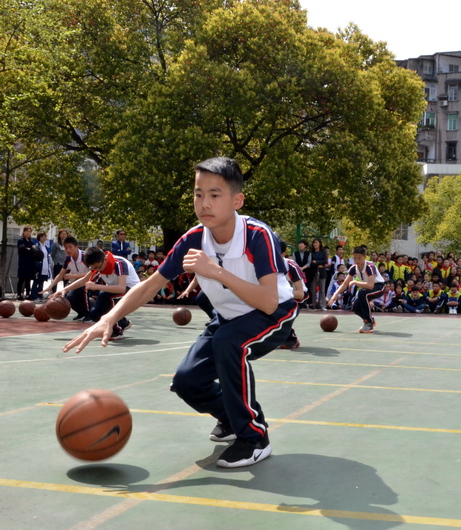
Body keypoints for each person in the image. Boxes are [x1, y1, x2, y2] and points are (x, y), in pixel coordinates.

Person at [63, 157, 298, 468]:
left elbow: (269, 301)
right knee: (187, 382)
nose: (205, 203)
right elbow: (150, 286)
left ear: (237, 200)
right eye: (198, 194)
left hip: (274, 313)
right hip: (229, 318)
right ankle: (230, 418)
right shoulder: (192, 239)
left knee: (229, 343)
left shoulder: (257, 235)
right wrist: (109, 318)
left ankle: (254, 437)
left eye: (215, 194)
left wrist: (216, 271)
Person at [58, 246, 139, 339]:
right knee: (94, 315)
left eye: (98, 267)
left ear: (105, 259)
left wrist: (96, 286)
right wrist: (65, 289)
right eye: (93, 268)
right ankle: (123, 323)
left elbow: (121, 288)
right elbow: (84, 280)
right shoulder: (97, 265)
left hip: (132, 291)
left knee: (105, 296)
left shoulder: (119, 263)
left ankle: (117, 331)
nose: (98, 270)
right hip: (114, 290)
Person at [326, 245, 384, 332]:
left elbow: (370, 285)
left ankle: (368, 322)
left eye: (359, 258)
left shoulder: (370, 267)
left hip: (379, 287)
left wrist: (355, 282)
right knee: (355, 307)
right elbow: (345, 284)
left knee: (362, 293)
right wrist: (335, 294)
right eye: (355, 258)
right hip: (367, 289)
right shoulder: (354, 268)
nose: (357, 261)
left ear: (365, 257)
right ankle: (370, 320)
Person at [42, 237, 91, 320]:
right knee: (68, 296)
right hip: (78, 282)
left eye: (70, 247)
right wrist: (50, 286)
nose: (68, 250)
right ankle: (81, 312)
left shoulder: (85, 257)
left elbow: (91, 274)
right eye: (65, 248)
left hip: (91, 281)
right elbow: (60, 275)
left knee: (82, 291)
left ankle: (88, 314)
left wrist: (73, 276)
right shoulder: (68, 259)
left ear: (76, 247)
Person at [280, 241, 306, 350]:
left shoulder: (291, 266)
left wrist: (280, 293)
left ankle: (290, 336)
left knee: (282, 308)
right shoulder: (264, 266)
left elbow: (300, 294)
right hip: (280, 297)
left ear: (283, 254)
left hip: (298, 298)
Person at [15, 226, 38, 300]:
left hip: (31, 263)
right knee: (21, 279)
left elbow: (35, 250)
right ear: (24, 232)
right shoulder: (21, 241)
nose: (28, 233)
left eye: (29, 231)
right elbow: (23, 250)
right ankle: (19, 294)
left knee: (28, 279)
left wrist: (29, 249)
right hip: (23, 262)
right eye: (27, 231)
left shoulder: (32, 242)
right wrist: (30, 250)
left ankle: (28, 294)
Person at [30, 232, 52, 300]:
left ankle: (40, 294)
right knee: (36, 280)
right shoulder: (37, 245)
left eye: (45, 236)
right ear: (39, 238)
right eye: (42, 236)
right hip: (38, 265)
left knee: (41, 281)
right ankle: (34, 295)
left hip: (45, 265)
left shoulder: (46, 246)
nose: (44, 238)